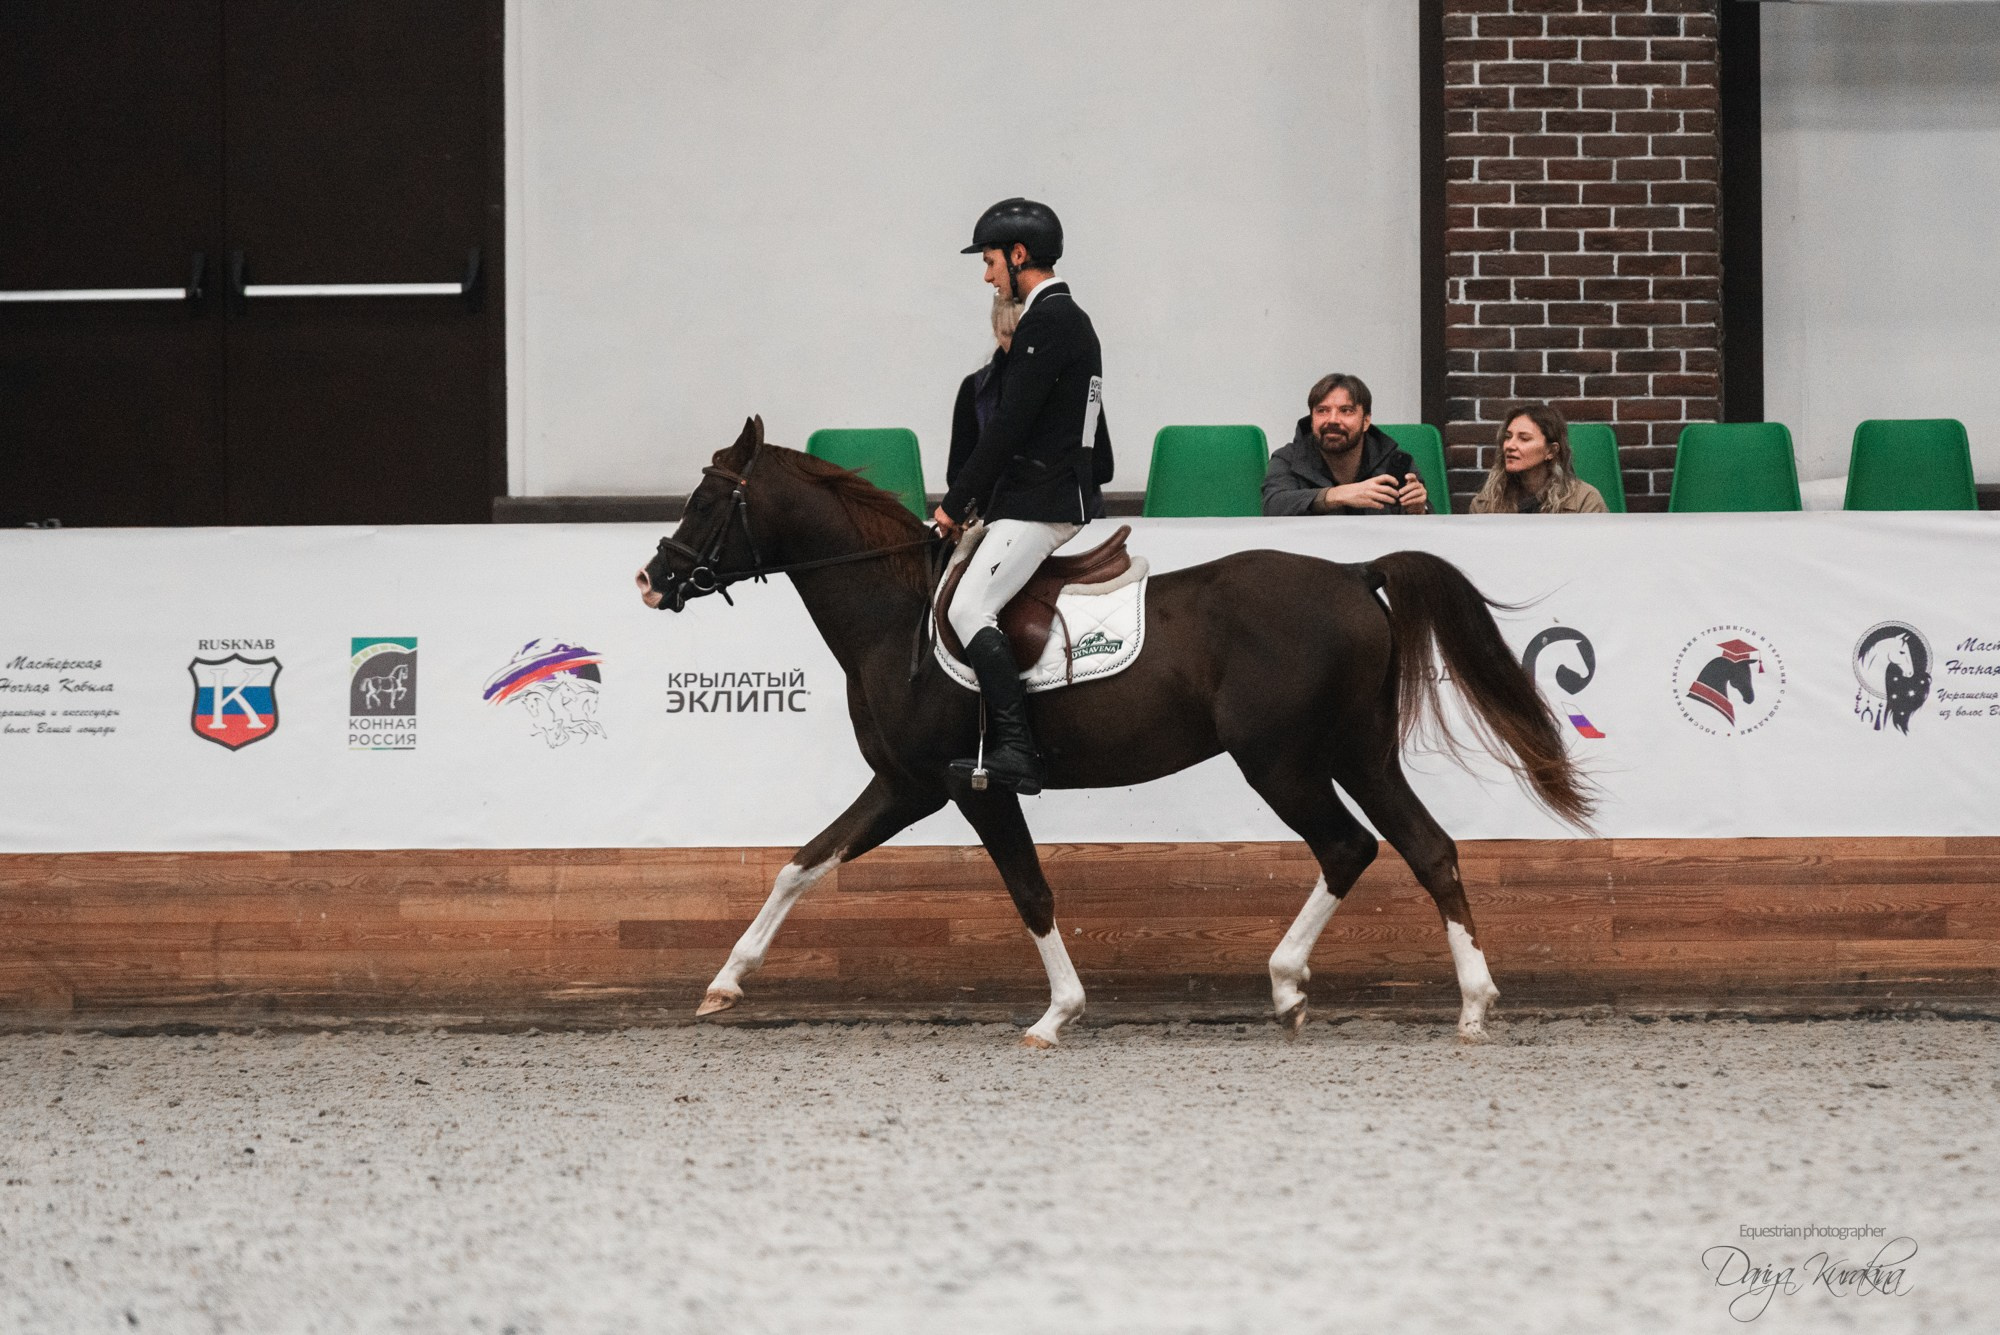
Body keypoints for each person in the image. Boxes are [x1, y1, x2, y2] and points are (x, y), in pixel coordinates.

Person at [934, 197, 1115, 795]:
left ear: (1018, 255)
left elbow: (1007, 429)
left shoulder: (1049, 320)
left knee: (967, 608)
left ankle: (1017, 748)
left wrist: (953, 505)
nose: (987, 276)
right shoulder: (1068, 320)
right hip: (1053, 495)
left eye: (989, 262)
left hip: (1042, 503)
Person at [1262, 373, 1429, 515]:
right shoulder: (1287, 459)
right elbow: (1273, 506)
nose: (1333, 420)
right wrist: (1339, 495)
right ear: (1312, 419)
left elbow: (1427, 529)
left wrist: (1419, 510)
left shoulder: (1395, 462)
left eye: (1346, 411)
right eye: (1322, 410)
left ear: (1366, 421)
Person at [1467, 403, 1608, 514]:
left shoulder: (1585, 501)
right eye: (1508, 437)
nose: (1509, 445)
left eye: (1524, 438)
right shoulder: (1485, 505)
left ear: (1551, 451)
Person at [946, 293, 1021, 491]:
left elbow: (1100, 466)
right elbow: (956, 475)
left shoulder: (1070, 380)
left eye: (1025, 333)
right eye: (1008, 333)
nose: (1017, 345)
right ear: (996, 331)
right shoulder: (974, 389)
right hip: (995, 513)